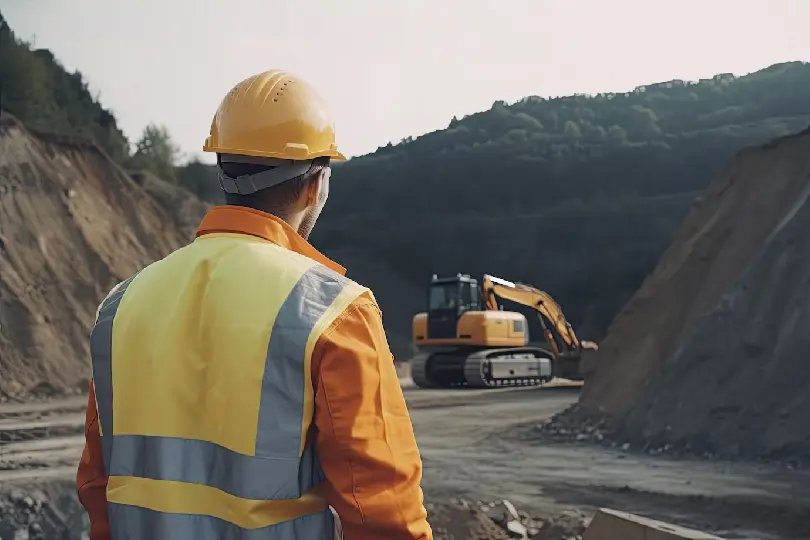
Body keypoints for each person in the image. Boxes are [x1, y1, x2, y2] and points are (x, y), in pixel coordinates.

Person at [76, 69, 433, 540]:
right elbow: (382, 511)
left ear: (221, 170)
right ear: (315, 186)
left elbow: (98, 484)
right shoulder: (334, 311)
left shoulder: (121, 306)